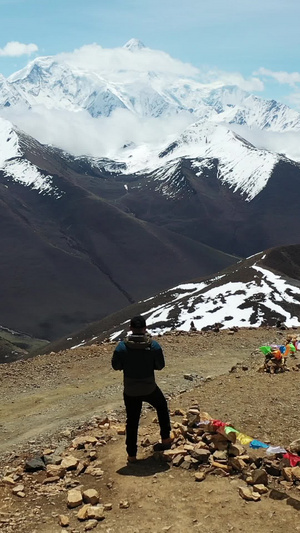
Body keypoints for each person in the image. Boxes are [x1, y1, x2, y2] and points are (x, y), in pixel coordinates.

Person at [112, 315, 172, 463]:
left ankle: (132, 455)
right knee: (162, 407)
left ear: (130, 328)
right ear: (145, 328)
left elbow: (116, 366)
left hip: (130, 390)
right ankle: (165, 439)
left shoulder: (121, 347)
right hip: (149, 387)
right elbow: (160, 366)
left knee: (132, 421)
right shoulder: (154, 346)